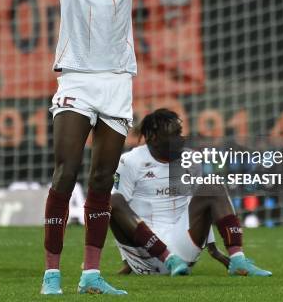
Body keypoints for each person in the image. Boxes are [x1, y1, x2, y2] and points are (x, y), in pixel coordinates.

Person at [21, 0, 188, 295]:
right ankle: (51, 274)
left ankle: (91, 275)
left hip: (117, 82)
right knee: (66, 172)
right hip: (77, 79)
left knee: (101, 181)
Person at [110, 108, 272, 277]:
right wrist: (127, 261)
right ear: (153, 138)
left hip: (182, 249)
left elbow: (200, 208)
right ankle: (167, 258)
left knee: (212, 185)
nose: (180, 139)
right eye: (173, 135)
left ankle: (238, 261)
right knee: (113, 199)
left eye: (179, 133)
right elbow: (119, 214)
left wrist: (214, 251)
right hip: (147, 256)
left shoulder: (190, 160)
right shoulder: (130, 162)